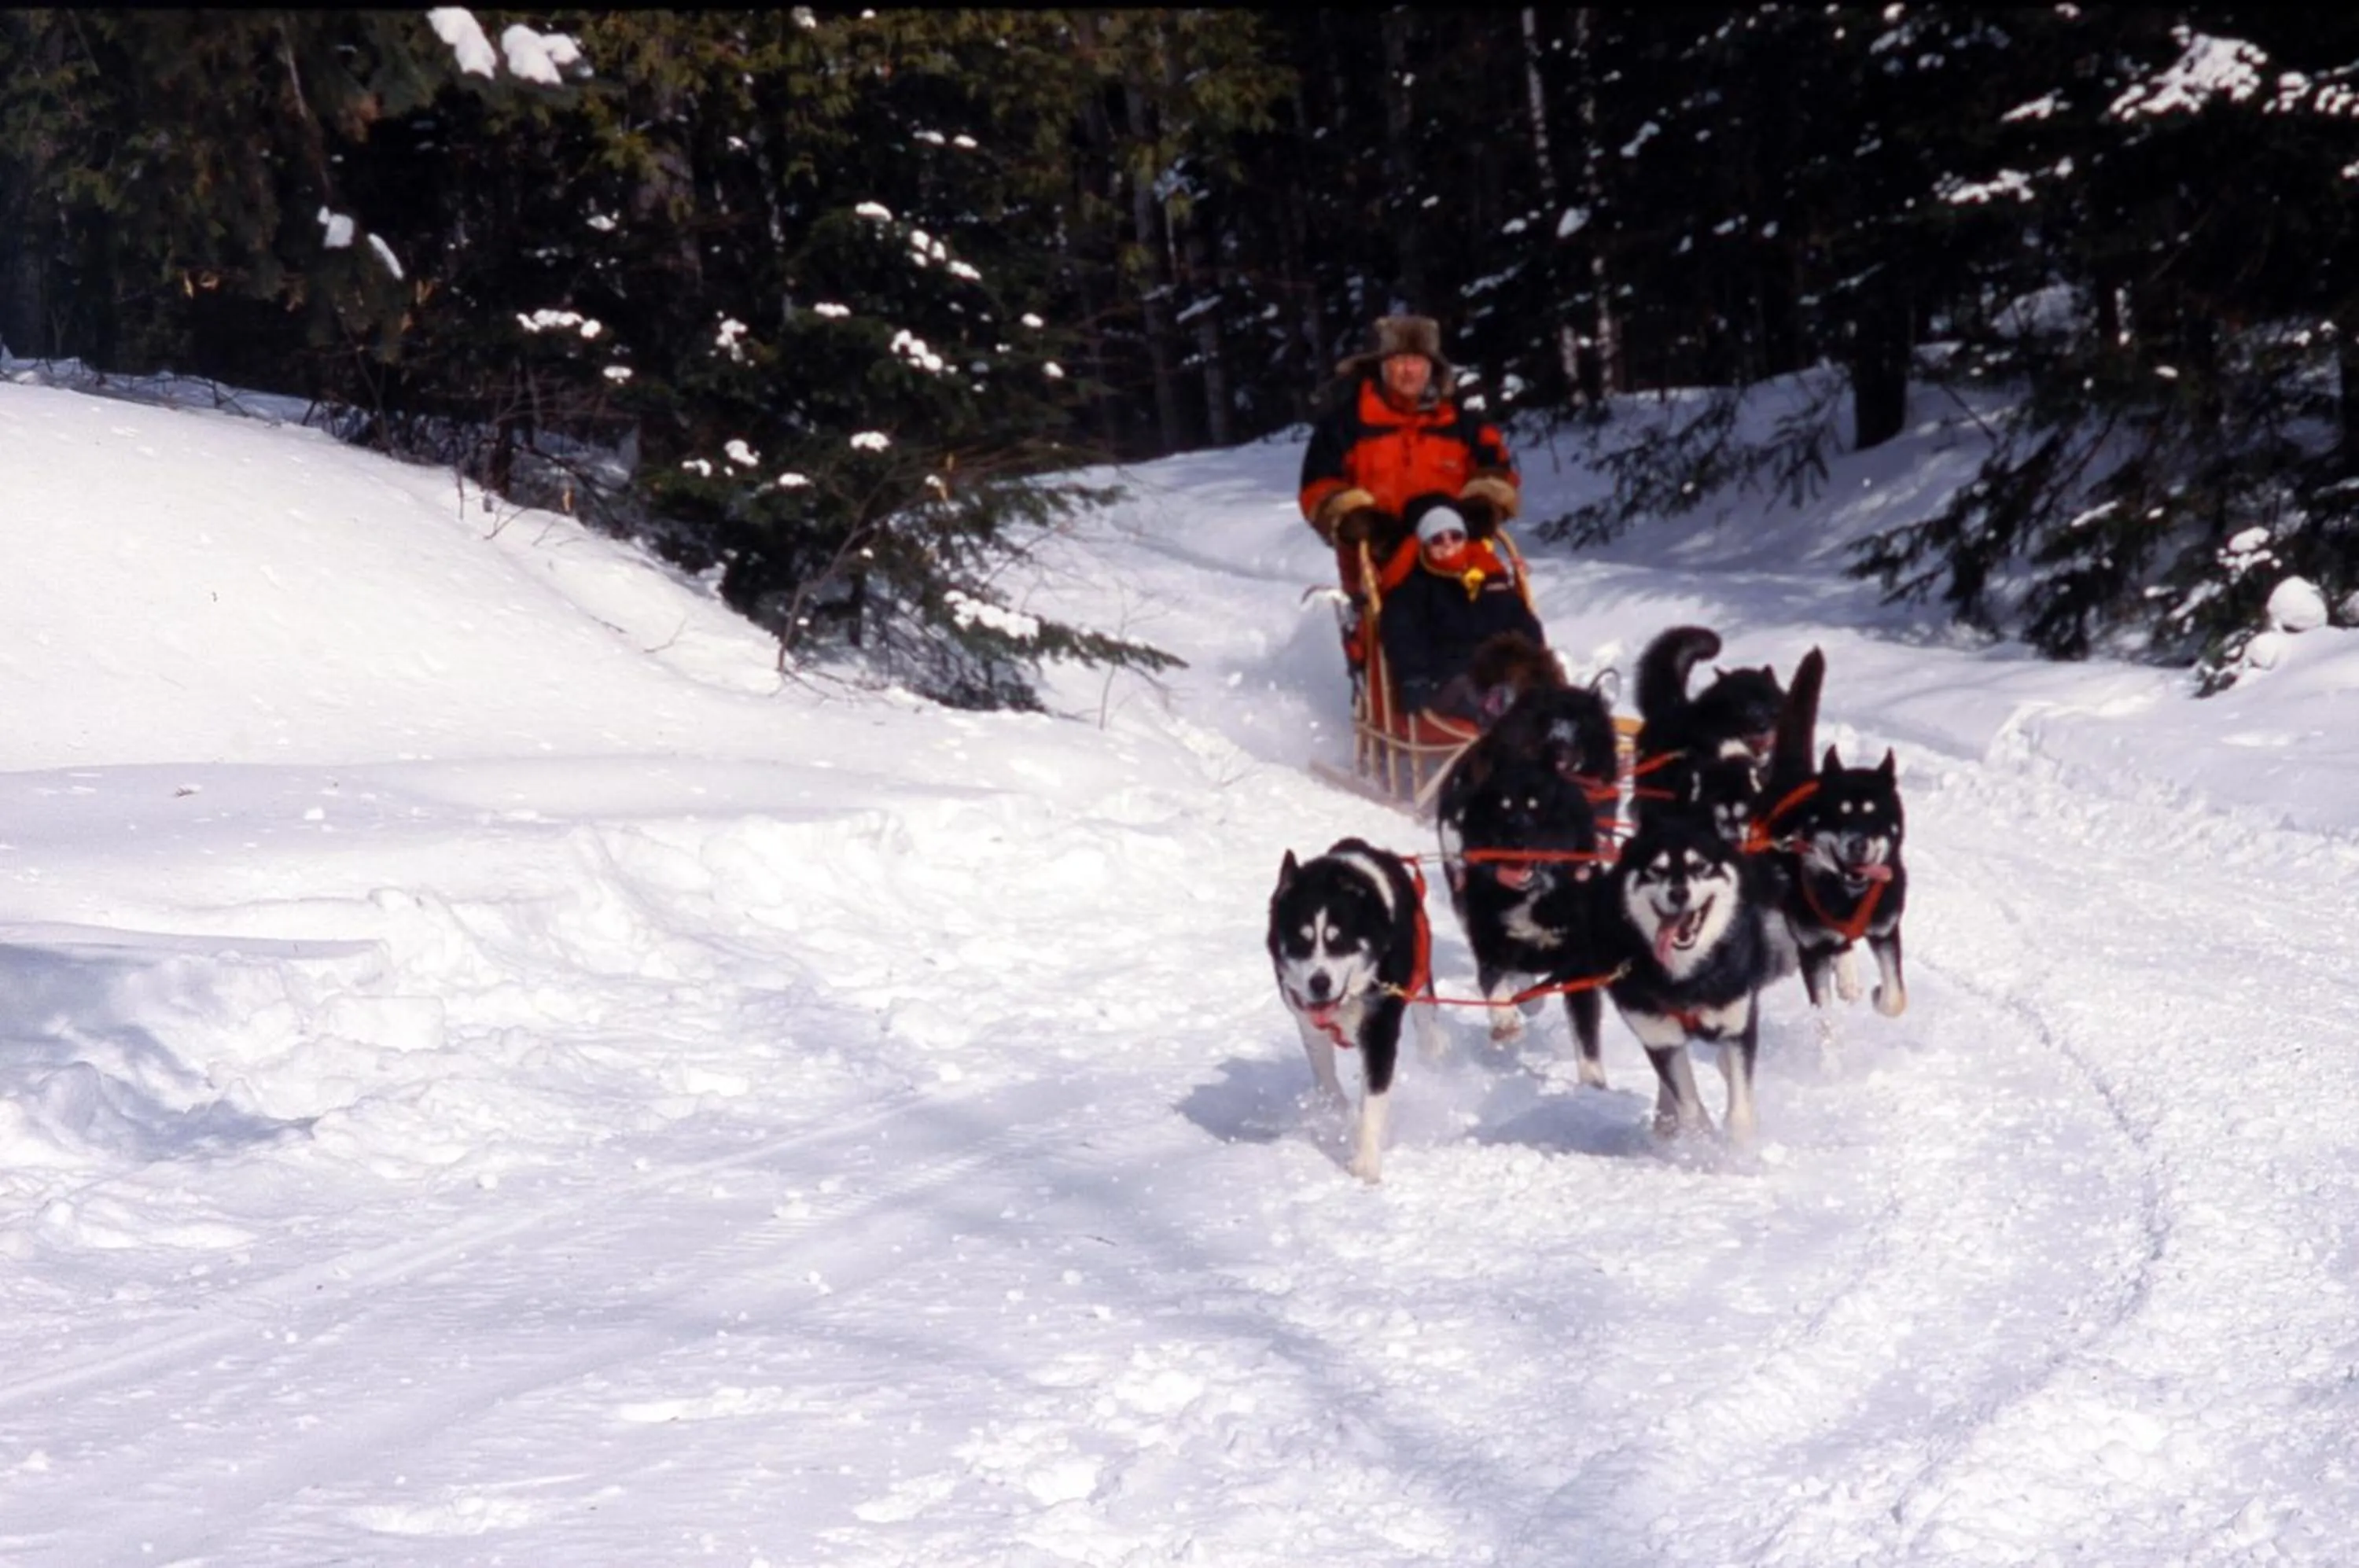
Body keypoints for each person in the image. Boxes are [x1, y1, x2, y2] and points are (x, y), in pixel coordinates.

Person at [1298, 315, 1520, 605]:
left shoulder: (1463, 424)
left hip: (1455, 555)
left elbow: (1499, 474)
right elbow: (1317, 489)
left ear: (1432, 368)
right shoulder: (1345, 425)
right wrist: (1354, 518)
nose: (1410, 371)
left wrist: (1479, 509)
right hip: (1379, 563)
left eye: (1418, 361)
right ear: (1380, 365)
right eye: (1400, 360)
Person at [1377, 495, 1546, 723]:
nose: (1448, 543)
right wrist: (1414, 678)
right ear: (1425, 544)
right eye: (1437, 539)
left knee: (1530, 678)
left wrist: (1536, 657)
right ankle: (1499, 713)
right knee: (1468, 686)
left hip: (1497, 670)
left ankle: (1562, 714)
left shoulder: (1489, 578)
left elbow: (1521, 620)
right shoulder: (1411, 589)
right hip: (1444, 676)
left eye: (1455, 536)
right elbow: (1403, 638)